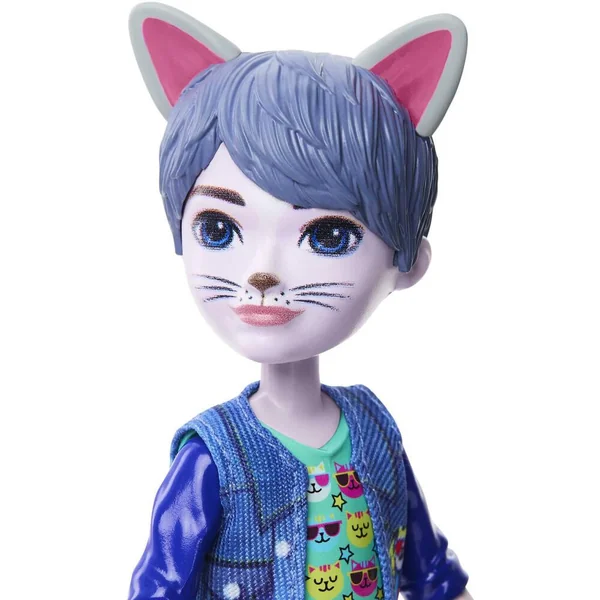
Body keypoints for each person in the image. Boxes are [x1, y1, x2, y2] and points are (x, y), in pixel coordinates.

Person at [127, 4, 471, 599]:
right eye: (218, 229)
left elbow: (429, 569)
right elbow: (160, 585)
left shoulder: (376, 432)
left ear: (407, 261)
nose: (262, 274)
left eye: (328, 235)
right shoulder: (213, 456)